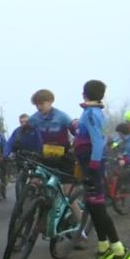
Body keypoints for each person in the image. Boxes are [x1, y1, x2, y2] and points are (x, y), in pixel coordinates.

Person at [77, 81, 130, 259]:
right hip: (87, 164)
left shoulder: (92, 114)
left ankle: (120, 251)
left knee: (99, 209)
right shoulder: (91, 111)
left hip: (92, 165)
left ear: (84, 93)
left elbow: (98, 141)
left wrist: (94, 164)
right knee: (93, 208)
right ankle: (103, 248)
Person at [27, 89, 83, 224]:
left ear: (51, 102)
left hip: (64, 157)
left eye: (42, 103)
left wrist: (81, 144)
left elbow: (76, 131)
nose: (39, 107)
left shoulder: (62, 116)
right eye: (37, 104)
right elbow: (24, 133)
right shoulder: (34, 118)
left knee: (68, 194)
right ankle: (33, 215)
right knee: (34, 182)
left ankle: (81, 233)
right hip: (45, 156)